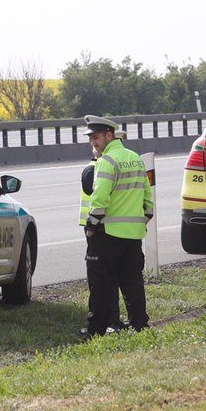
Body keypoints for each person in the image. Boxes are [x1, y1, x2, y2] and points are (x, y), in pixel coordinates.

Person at [82, 116, 153, 337]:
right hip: (133, 235)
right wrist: (141, 219)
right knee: (132, 283)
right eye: (91, 138)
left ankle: (96, 330)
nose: (93, 142)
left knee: (101, 285)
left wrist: (91, 226)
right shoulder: (135, 158)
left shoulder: (106, 161)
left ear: (109, 135)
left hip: (108, 234)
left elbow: (100, 198)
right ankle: (140, 325)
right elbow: (147, 198)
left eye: (96, 137)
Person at [78, 132, 129, 339]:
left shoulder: (98, 168)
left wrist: (91, 226)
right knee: (112, 278)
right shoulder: (96, 168)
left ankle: (108, 322)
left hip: (98, 227)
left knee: (102, 279)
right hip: (100, 226)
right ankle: (112, 320)